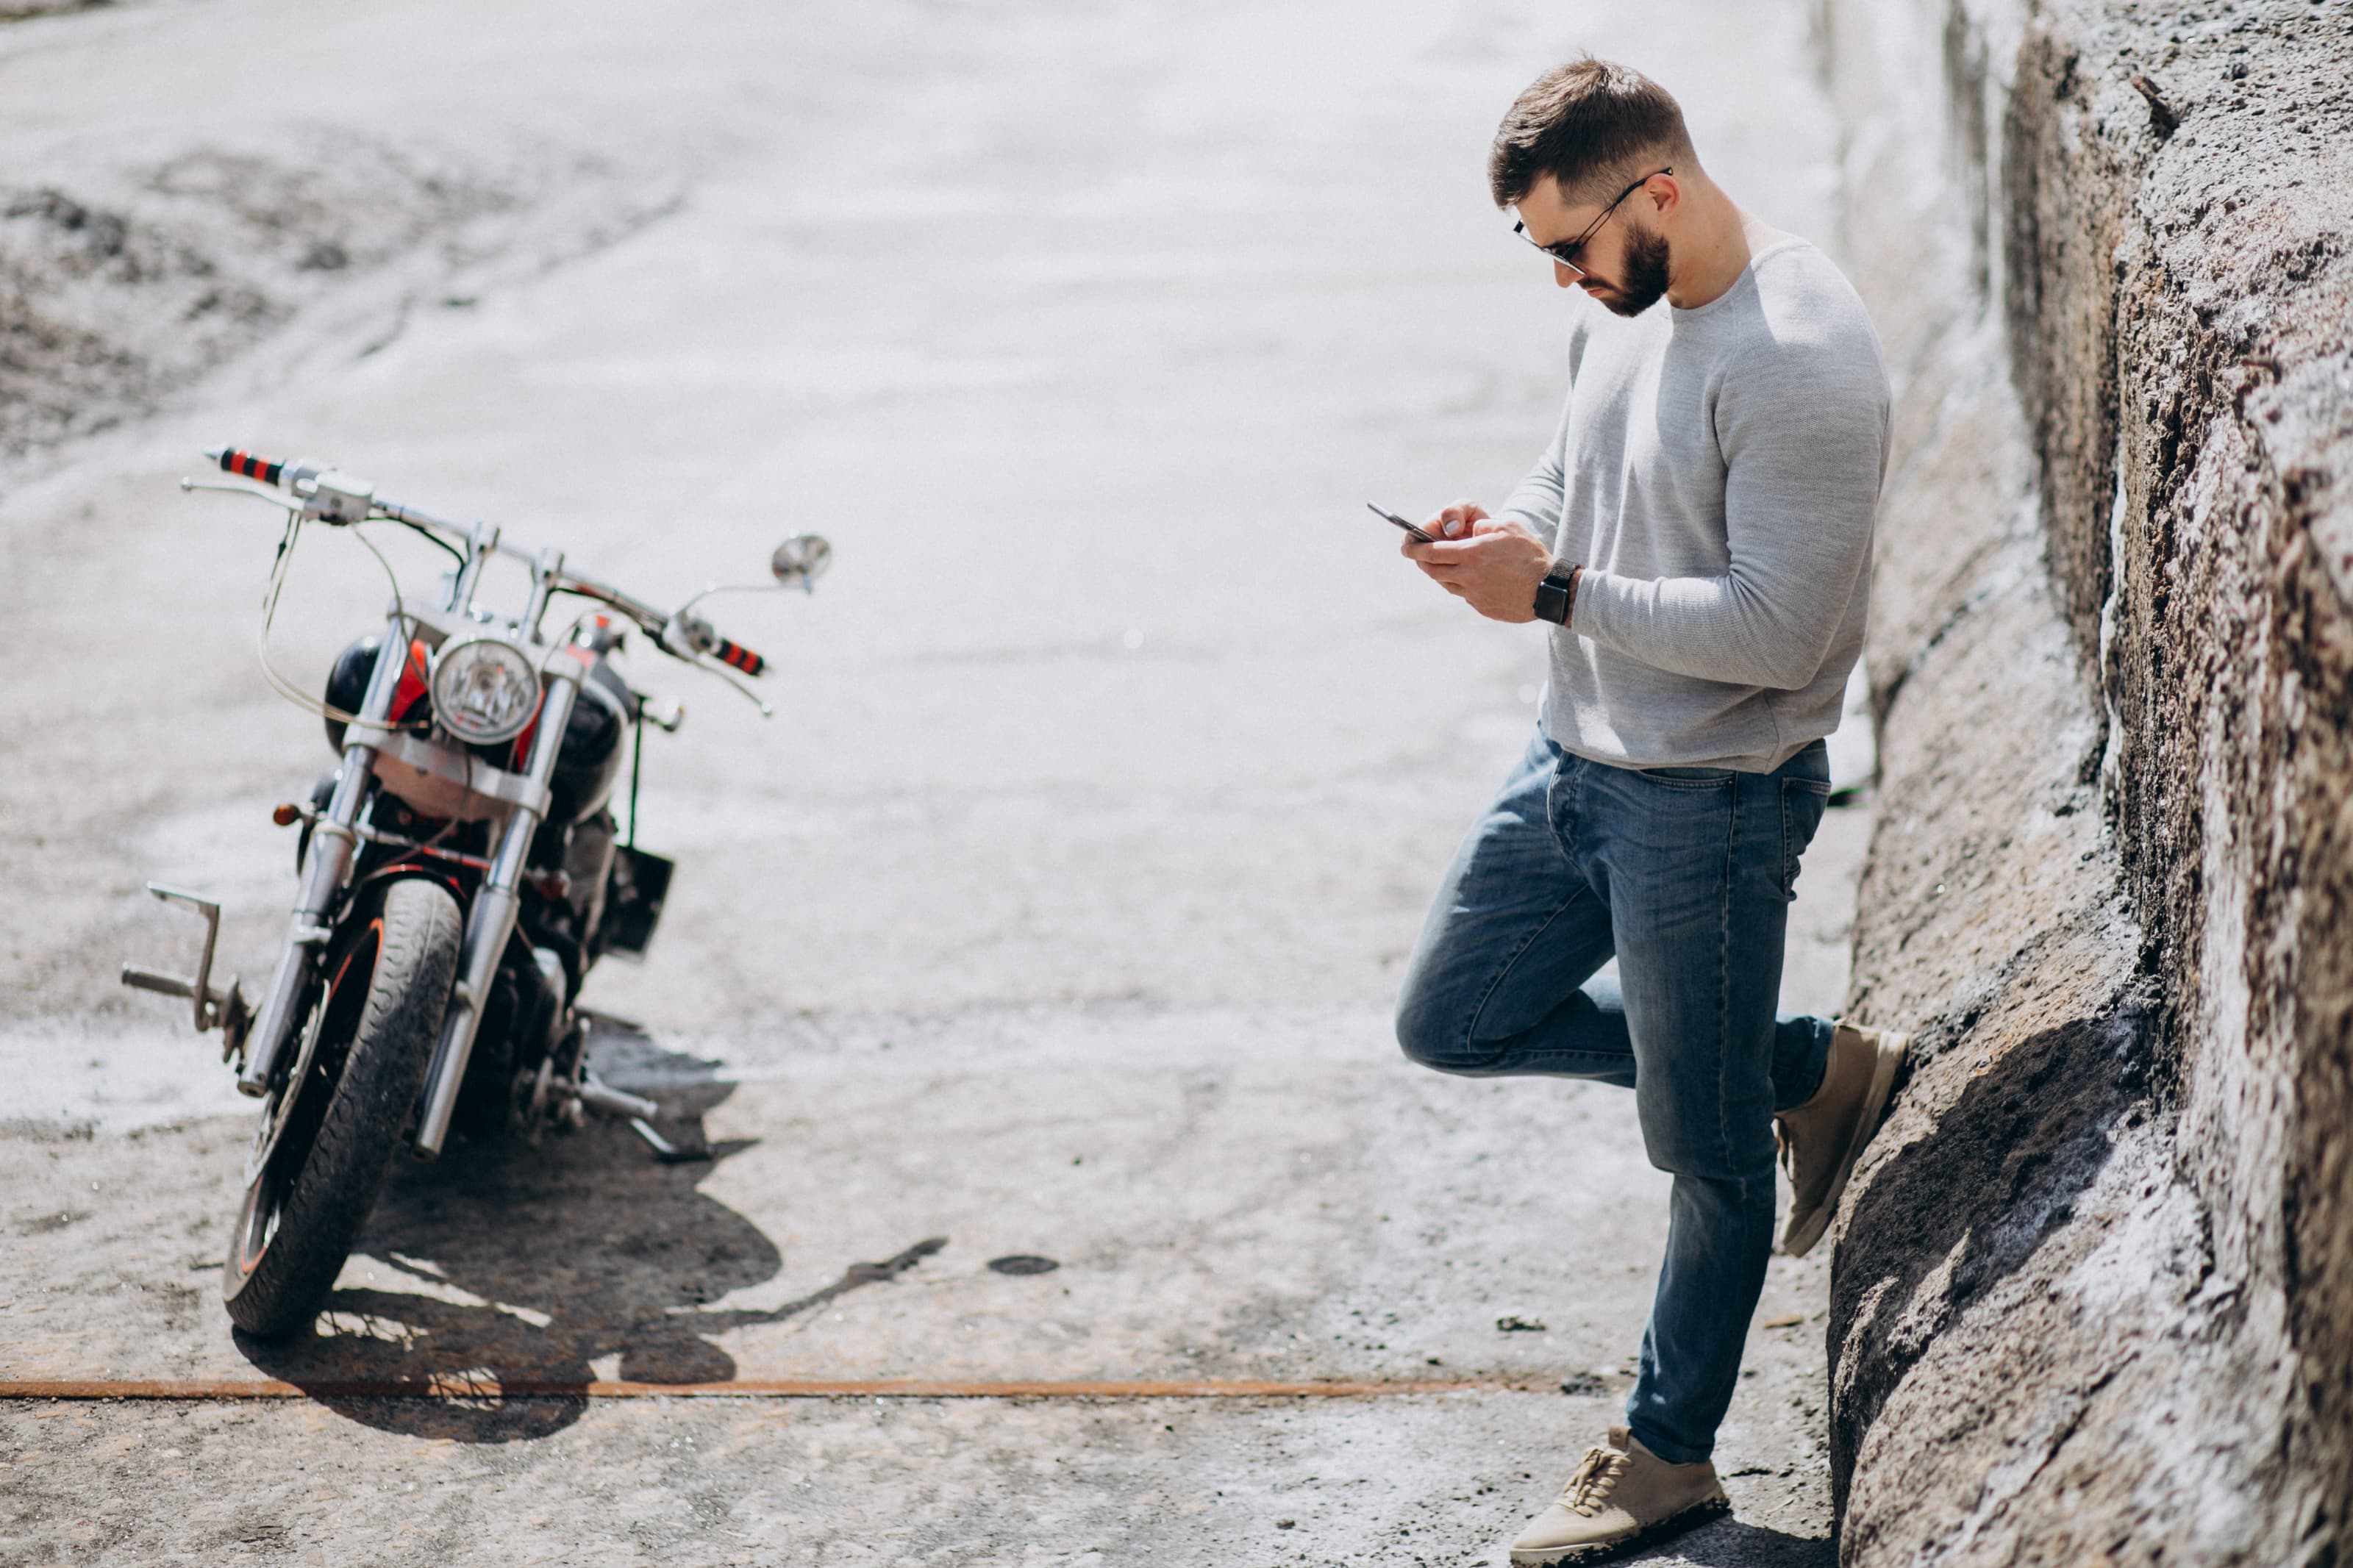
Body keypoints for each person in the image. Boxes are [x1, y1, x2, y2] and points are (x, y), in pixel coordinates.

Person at [1390, 55, 1908, 1566]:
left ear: (1659, 192)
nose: (1560, 276)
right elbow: (1571, 478)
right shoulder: (1623, 314)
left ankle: (1669, 1453)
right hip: (1574, 758)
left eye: (1570, 244)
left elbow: (1781, 632)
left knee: (1705, 1152)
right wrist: (1508, 533)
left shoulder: (1797, 351)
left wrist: (1549, 590)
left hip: (1711, 803)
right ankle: (1804, 1063)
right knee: (1455, 1014)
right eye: (1538, 251)